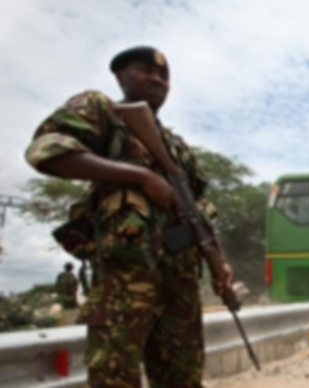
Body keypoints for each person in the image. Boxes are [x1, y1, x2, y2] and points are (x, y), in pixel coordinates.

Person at [24, 46, 234, 387]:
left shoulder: (177, 146)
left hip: (179, 281)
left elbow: (198, 210)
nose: (157, 79)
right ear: (120, 76)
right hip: (124, 279)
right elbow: (47, 150)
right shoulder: (102, 110)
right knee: (115, 378)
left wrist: (219, 261)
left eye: (164, 75)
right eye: (145, 70)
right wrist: (141, 177)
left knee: (183, 379)